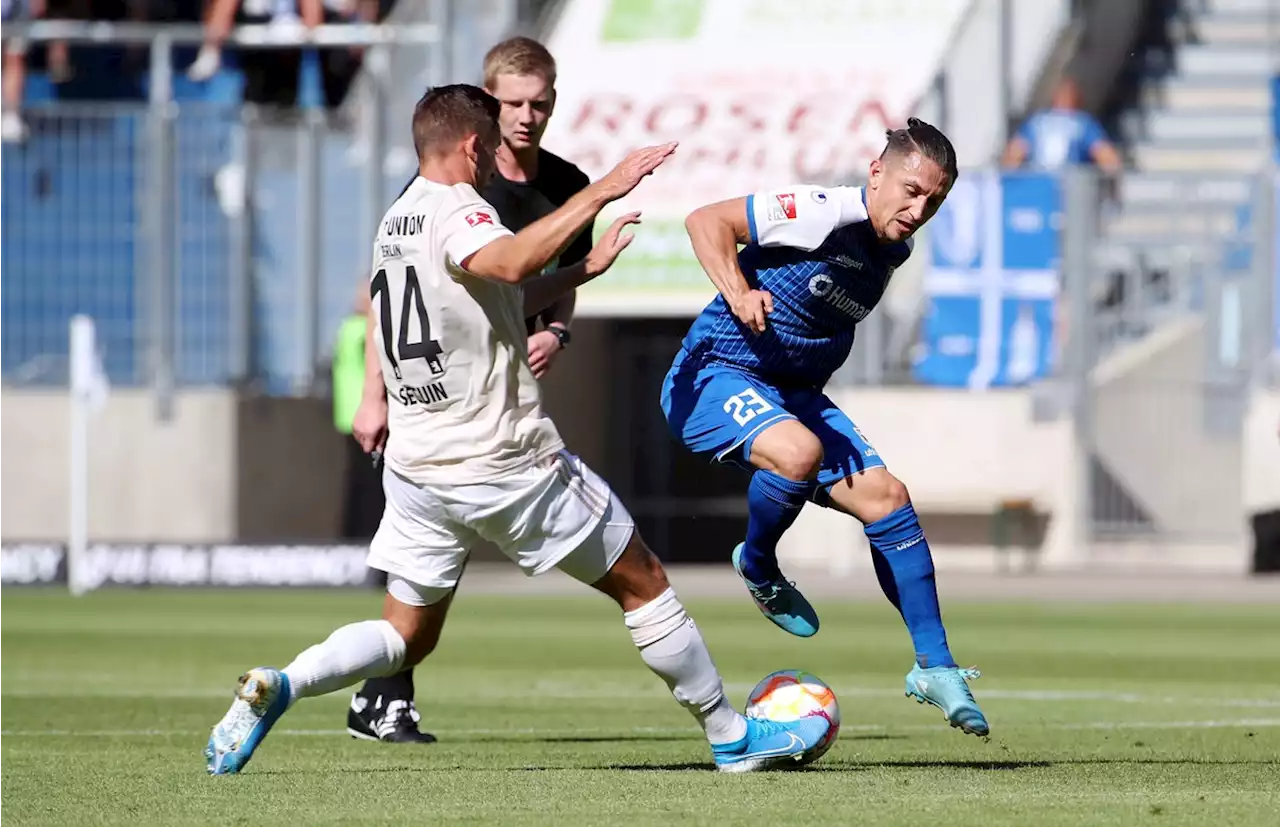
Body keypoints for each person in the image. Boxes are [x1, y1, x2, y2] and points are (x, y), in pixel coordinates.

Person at [205, 83, 831, 775]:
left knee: (404, 635)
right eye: (491, 147)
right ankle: (729, 734)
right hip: (504, 459)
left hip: (418, 467)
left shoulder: (396, 220)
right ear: (474, 146)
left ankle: (281, 683)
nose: (493, 161)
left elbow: (481, 297)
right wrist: (603, 190)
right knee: (644, 582)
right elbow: (504, 261)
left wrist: (584, 268)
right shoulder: (458, 208)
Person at [661, 117, 990, 737]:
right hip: (714, 374)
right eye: (912, 190)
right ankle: (757, 564)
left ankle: (936, 666)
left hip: (793, 395)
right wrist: (736, 291)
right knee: (799, 452)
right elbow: (706, 221)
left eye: (935, 200)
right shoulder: (820, 211)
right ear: (876, 173)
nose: (920, 209)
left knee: (888, 498)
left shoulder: (894, 247)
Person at [345, 35, 593, 744]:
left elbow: (559, 277)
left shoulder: (567, 187)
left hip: (503, 381)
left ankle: (378, 691)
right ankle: (385, 690)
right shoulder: (442, 186)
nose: (526, 116)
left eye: (538, 102)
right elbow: (393, 290)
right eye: (512, 103)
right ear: (487, 107)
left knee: (446, 544)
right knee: (435, 551)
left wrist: (559, 332)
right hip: (442, 393)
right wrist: (375, 394)